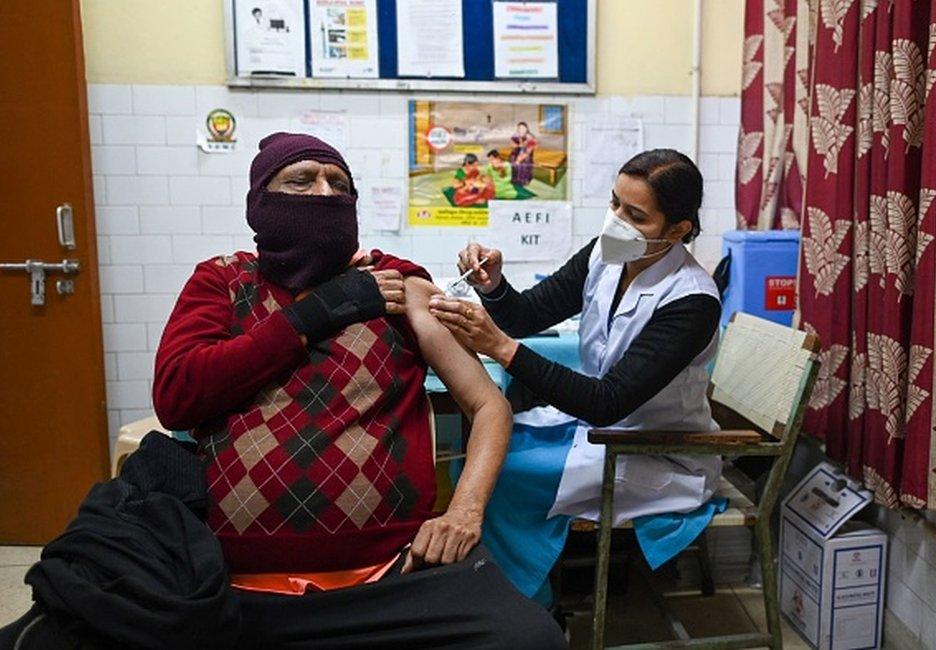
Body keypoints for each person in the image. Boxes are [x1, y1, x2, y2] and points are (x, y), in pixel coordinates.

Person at [0, 132, 566, 650]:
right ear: (260, 203)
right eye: (301, 180)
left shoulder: (395, 284)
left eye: (338, 184)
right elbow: (177, 396)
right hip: (229, 585)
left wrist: (464, 513)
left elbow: (487, 402)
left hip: (389, 579)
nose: (323, 193)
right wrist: (315, 314)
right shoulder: (223, 281)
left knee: (529, 638)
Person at [428, 149, 725, 605]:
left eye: (636, 215)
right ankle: (500, 595)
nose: (617, 222)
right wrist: (494, 287)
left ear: (678, 229)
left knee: (500, 472)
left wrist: (502, 348)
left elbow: (607, 401)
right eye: (615, 204)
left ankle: (515, 605)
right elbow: (528, 314)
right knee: (483, 452)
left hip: (654, 450)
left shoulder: (691, 301)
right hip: (597, 432)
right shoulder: (608, 253)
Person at [508, 121, 537, 187]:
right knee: (512, 157)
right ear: (518, 129)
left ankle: (524, 180)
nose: (521, 130)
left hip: (527, 153)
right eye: (520, 128)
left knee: (524, 161)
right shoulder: (516, 136)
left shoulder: (531, 137)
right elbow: (512, 145)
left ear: (527, 129)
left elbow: (528, 151)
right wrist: (518, 144)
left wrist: (519, 159)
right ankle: (513, 179)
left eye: (523, 128)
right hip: (517, 152)